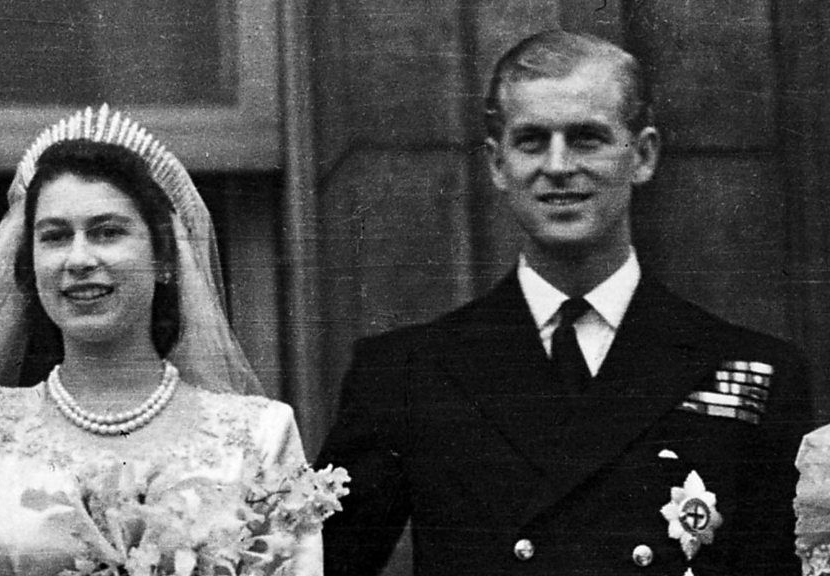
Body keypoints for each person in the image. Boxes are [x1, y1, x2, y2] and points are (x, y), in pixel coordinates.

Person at [315, 30, 814, 576]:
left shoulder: (754, 371)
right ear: (497, 164)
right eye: (531, 141)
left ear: (643, 155)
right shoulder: (404, 374)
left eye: (586, 138)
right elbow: (322, 566)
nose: (557, 165)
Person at [0, 105, 343, 576]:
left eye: (106, 231)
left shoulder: (259, 432)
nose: (78, 259)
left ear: (164, 258)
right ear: (31, 265)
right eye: (54, 236)